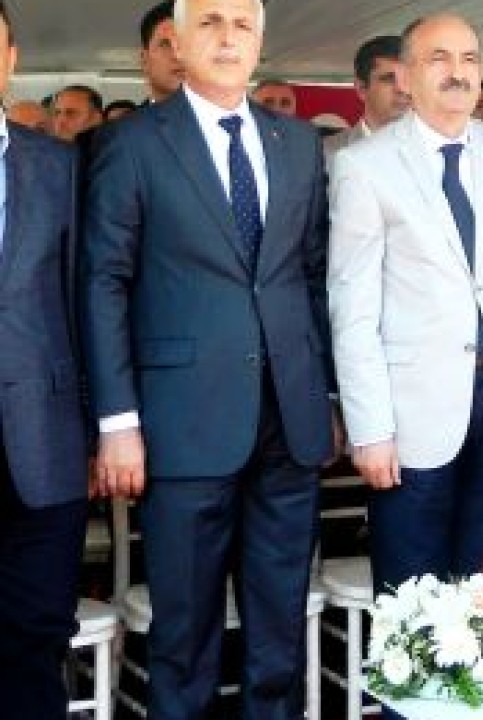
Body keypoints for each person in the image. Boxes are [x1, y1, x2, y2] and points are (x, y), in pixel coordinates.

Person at [82, 0, 336, 717]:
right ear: (177, 42)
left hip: (288, 420)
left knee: (279, 626)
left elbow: (312, 275)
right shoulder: (132, 143)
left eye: (242, 25)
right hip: (182, 421)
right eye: (210, 22)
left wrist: (327, 395)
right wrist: (117, 420)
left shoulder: (296, 143)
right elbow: (103, 282)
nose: (228, 38)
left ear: (260, 42)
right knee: (184, 632)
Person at [328, 11, 483, 611]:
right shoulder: (364, 165)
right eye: (439, 59)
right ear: (406, 76)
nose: (458, 73)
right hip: (409, 414)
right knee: (412, 604)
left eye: (469, 59)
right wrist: (369, 429)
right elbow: (352, 309)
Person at [0, 6, 92, 717]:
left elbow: (83, 302)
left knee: (35, 638)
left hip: (42, 443)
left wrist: (100, 428)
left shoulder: (59, 166)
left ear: (9, 58)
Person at [322, 34, 409, 166]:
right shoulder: (325, 154)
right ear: (361, 88)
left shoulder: (438, 149)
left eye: (409, 78)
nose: (403, 89)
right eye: (388, 79)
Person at [140, 1, 183, 106]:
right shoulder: (130, 117)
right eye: (166, 44)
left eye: (188, 44)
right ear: (145, 60)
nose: (178, 56)